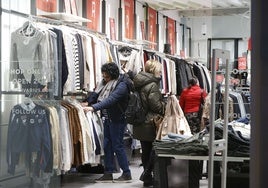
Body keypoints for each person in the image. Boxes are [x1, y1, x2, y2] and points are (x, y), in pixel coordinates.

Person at [82, 62, 133, 183]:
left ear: (113, 75)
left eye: (106, 76)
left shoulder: (122, 85)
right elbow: (96, 94)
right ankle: (108, 172)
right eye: (103, 76)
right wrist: (87, 102)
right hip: (107, 118)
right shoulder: (105, 83)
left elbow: (111, 100)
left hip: (118, 119)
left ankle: (127, 174)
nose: (104, 78)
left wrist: (94, 107)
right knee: (107, 145)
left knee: (118, 145)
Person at [132, 59, 166, 187]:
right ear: (154, 70)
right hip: (151, 122)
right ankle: (148, 175)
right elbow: (156, 106)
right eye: (159, 69)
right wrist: (165, 105)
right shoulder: (152, 85)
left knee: (146, 151)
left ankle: (147, 178)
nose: (161, 72)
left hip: (139, 121)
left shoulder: (138, 82)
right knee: (155, 150)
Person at [179, 77, 207, 188]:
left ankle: (187, 160)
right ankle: (197, 167)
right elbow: (205, 103)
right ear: (197, 83)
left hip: (187, 116)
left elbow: (181, 105)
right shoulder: (201, 91)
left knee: (187, 137)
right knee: (197, 138)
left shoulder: (185, 91)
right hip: (197, 116)